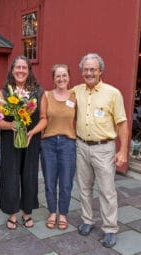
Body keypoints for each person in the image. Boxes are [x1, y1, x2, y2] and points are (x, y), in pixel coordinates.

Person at [72, 53, 129, 248]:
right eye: (86, 69)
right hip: (81, 146)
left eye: (92, 69)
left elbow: (122, 124)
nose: (89, 73)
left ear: (100, 71)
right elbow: (59, 100)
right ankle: (87, 219)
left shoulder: (113, 93)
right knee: (84, 187)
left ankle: (110, 229)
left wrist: (123, 151)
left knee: (107, 190)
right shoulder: (76, 91)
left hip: (103, 148)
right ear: (82, 72)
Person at [0, 55, 48, 230]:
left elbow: (44, 118)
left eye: (24, 68)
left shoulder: (38, 93)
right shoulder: (3, 93)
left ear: (29, 71)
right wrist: (12, 124)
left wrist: (32, 132)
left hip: (31, 140)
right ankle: (11, 213)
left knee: (29, 175)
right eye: (18, 67)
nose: (21, 71)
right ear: (12, 70)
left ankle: (27, 212)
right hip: (10, 141)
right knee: (10, 176)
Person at [40, 64, 77, 230]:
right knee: (49, 180)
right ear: (53, 79)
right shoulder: (46, 96)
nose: (61, 79)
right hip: (48, 143)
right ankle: (52, 212)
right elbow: (41, 118)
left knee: (66, 182)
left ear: (69, 77)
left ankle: (63, 213)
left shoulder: (76, 96)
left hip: (68, 143)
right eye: (58, 76)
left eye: (64, 75)